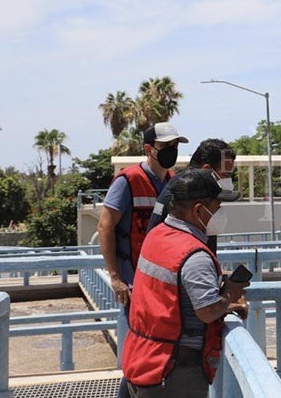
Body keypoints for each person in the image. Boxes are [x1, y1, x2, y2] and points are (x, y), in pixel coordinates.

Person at [122, 169, 248, 398]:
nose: (220, 212)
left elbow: (172, 299)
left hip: (142, 360)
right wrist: (230, 293)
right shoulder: (194, 254)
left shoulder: (157, 235)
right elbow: (207, 311)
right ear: (199, 210)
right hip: (174, 371)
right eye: (217, 206)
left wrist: (225, 304)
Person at [98, 122, 188, 306]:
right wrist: (115, 278)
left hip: (164, 282)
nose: (172, 150)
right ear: (149, 149)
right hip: (134, 282)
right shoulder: (129, 180)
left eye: (175, 146)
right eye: (165, 146)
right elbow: (104, 227)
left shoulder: (174, 182)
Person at [147, 138, 240, 253]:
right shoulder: (178, 195)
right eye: (225, 175)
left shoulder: (197, 191)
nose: (228, 182)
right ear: (207, 170)